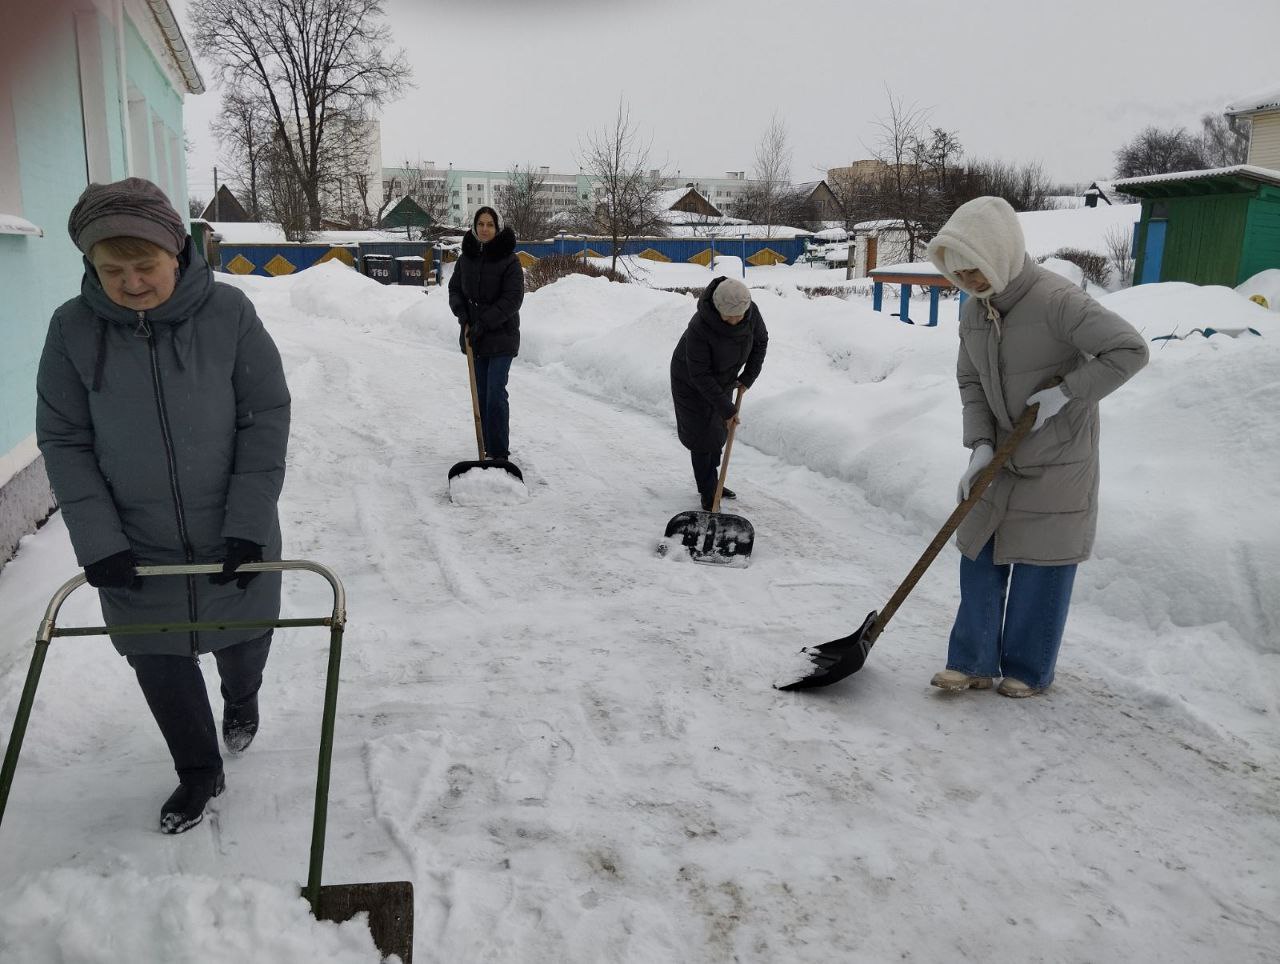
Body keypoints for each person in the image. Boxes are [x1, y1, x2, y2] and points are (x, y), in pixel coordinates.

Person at [36, 177, 291, 832]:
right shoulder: (71, 330)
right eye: (111, 269)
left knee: (244, 645)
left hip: (233, 531)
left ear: (176, 252)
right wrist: (99, 542)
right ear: (90, 264)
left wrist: (247, 525)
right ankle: (198, 771)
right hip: (136, 545)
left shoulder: (229, 314)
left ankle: (242, 699)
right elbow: (65, 441)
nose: (131, 283)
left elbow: (264, 418)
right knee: (159, 662)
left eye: (144, 265)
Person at [925, 196, 1148, 698]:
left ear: (1000, 254)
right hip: (1001, 457)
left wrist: (1067, 392)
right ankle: (972, 661)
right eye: (958, 273)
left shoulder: (1057, 300)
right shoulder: (974, 312)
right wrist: (981, 445)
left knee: (1041, 567)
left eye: (975, 269)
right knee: (978, 554)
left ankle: (1028, 669)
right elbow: (970, 381)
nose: (969, 281)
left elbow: (1130, 349)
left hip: (1058, 459)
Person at [669, 276, 768, 511]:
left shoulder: (751, 312)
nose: (734, 320)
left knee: (717, 432)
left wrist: (747, 378)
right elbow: (700, 374)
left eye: (738, 316)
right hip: (691, 380)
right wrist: (727, 409)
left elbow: (760, 343)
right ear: (717, 308)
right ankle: (708, 490)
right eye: (728, 316)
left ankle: (714, 482)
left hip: (724, 378)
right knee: (701, 437)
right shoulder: (700, 327)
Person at [448, 206, 523, 460]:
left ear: (497, 228)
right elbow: (455, 289)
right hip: (475, 338)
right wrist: (462, 314)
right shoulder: (466, 258)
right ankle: (486, 451)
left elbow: (512, 299)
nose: (484, 229)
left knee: (495, 394)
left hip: (502, 336)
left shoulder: (509, 260)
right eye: (481, 224)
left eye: (490, 224)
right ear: (474, 226)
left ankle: (499, 453)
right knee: (480, 395)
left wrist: (485, 322)